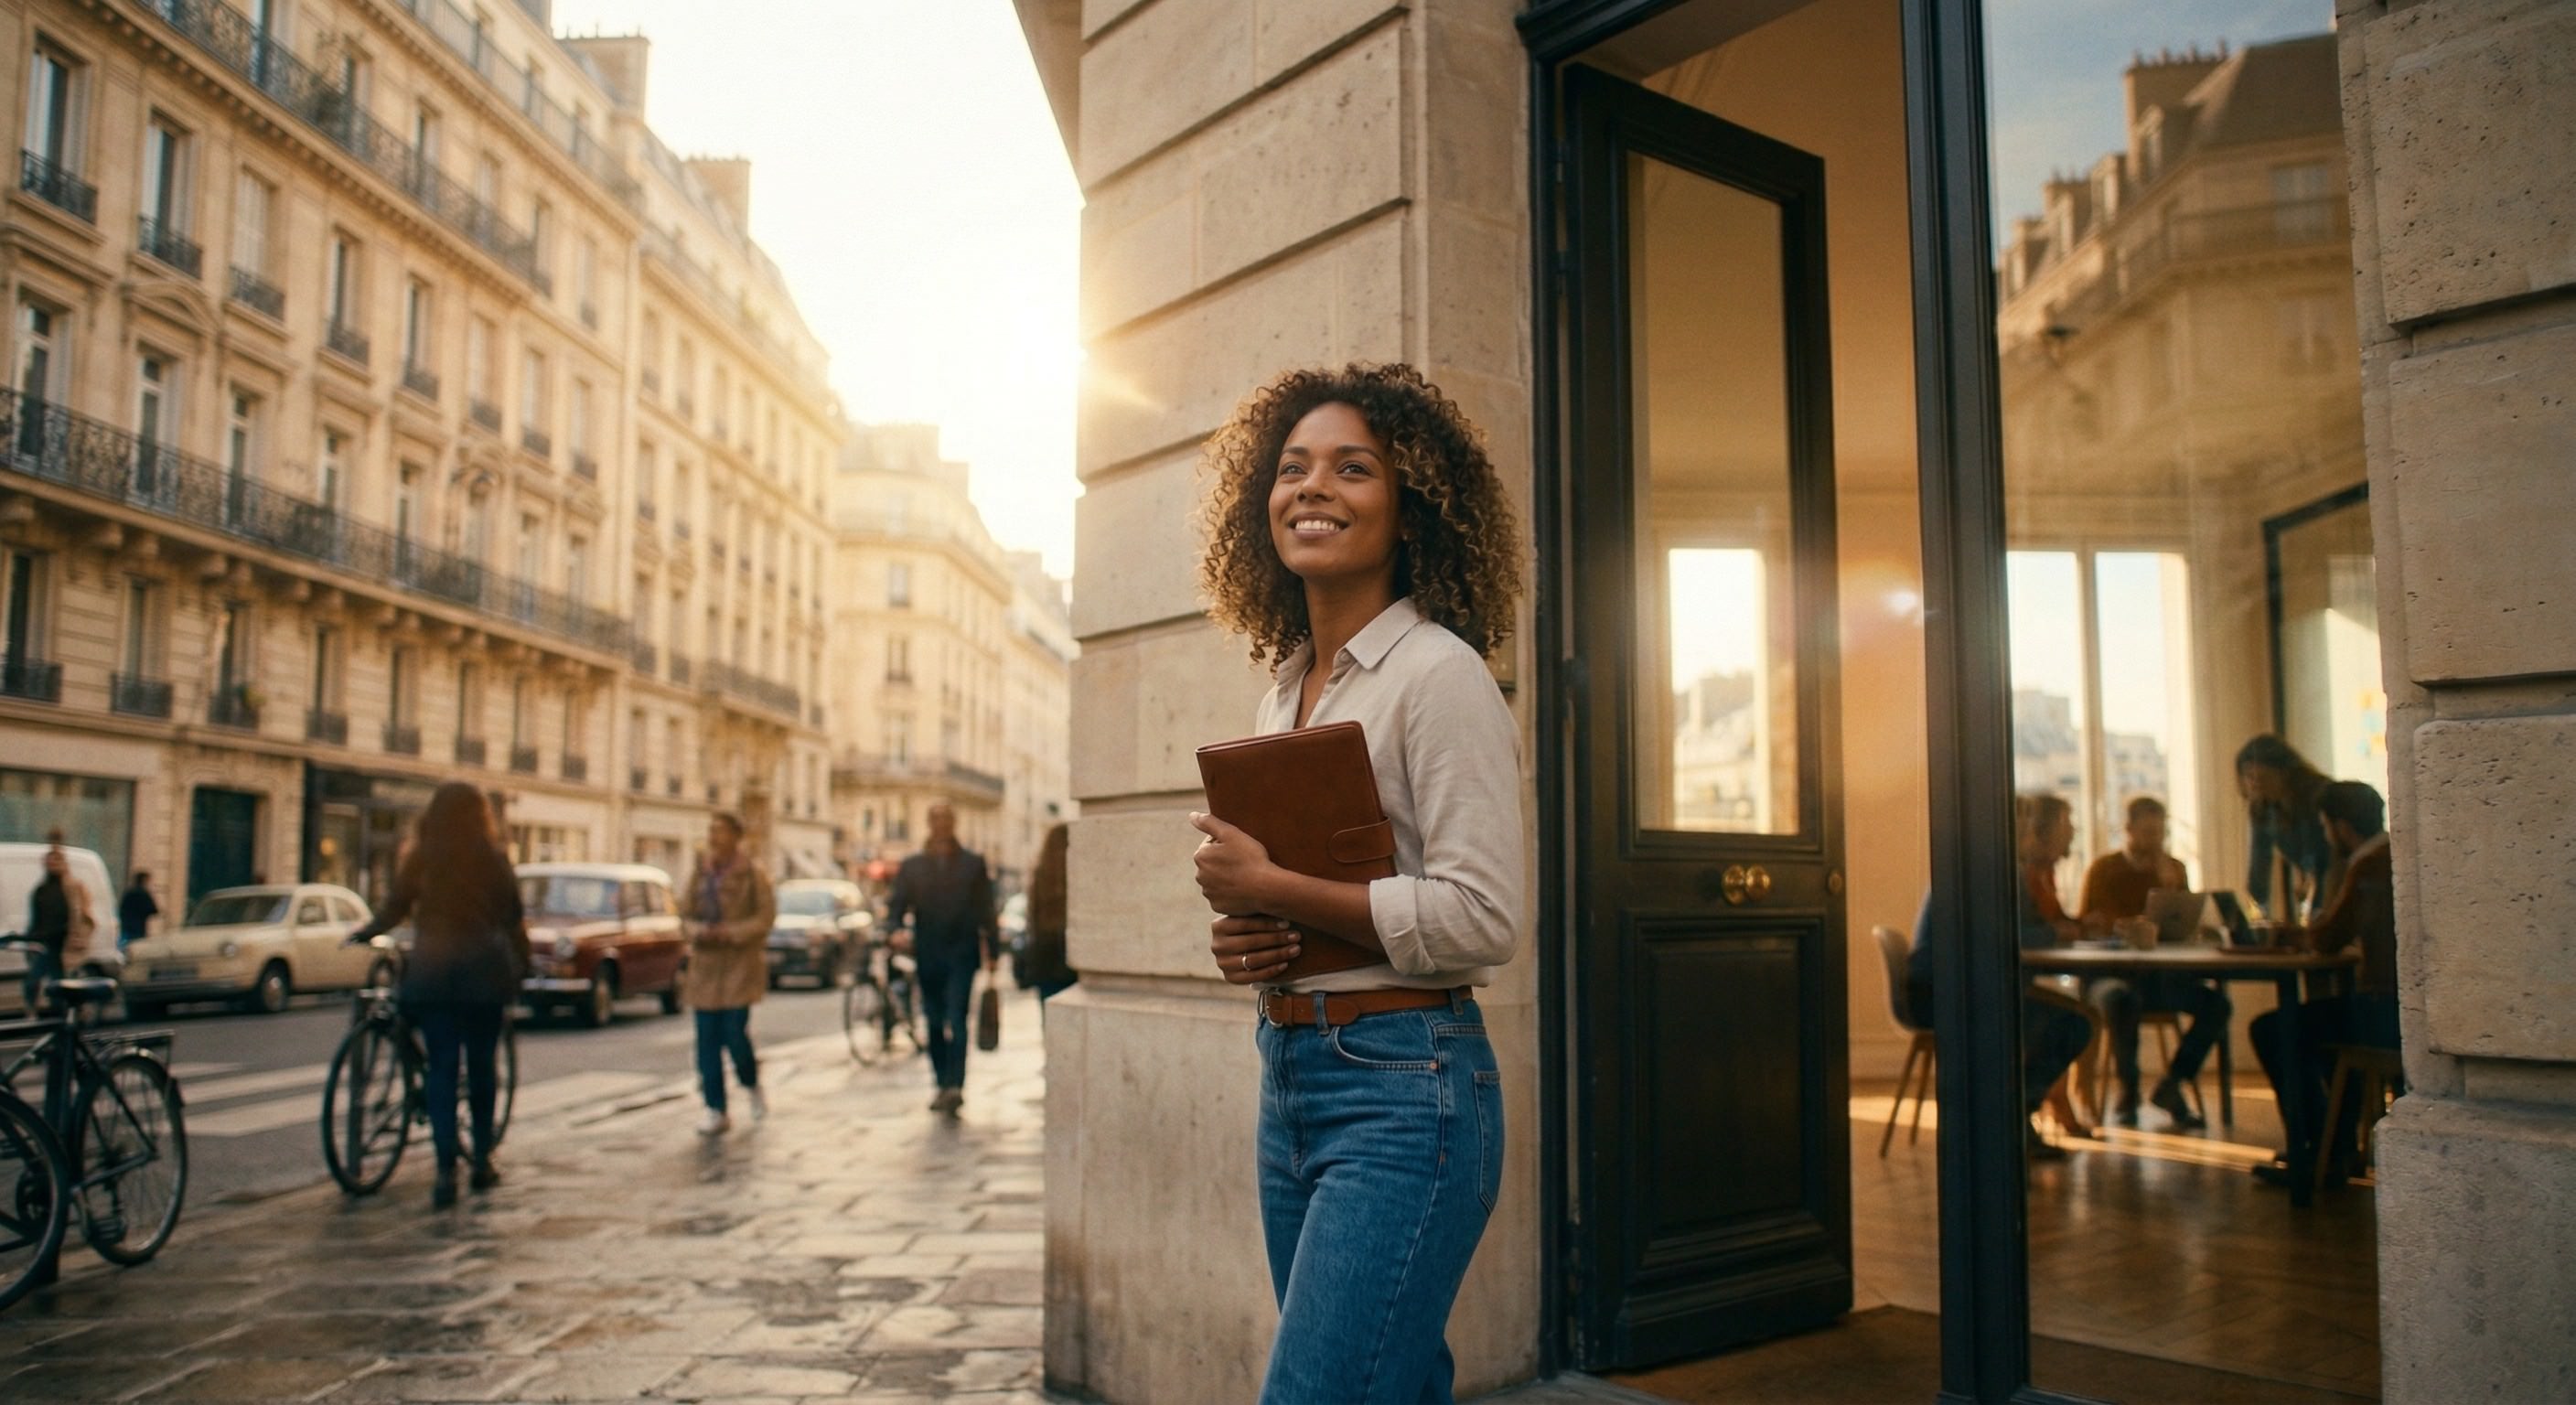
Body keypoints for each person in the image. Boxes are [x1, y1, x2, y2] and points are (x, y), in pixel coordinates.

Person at [1187, 363, 1524, 1403]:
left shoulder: (1438, 673)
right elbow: (1305, 892)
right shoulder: (1283, 691)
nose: (1312, 488)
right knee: (1391, 1384)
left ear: (1411, 507)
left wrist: (1276, 886)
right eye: (1292, 468)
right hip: (1290, 1072)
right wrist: (1251, 937)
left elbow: (1483, 919)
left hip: (1406, 1087)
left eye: (1352, 468)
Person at [345, 783, 529, 1208]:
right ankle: (481, 1159)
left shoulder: (424, 857)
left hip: (434, 973)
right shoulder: (493, 858)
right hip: (483, 975)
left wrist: (366, 932)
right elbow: (512, 916)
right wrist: (522, 963)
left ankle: (445, 1171)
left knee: (441, 1070)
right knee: (482, 1069)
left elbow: (395, 906)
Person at [1906, 794, 2098, 1159]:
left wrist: (2053, 930)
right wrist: (2054, 933)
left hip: (1951, 988)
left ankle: (2014, 1119)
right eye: (2024, 824)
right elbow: (2004, 936)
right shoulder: (1987, 868)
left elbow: (2012, 931)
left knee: (2067, 1022)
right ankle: (2013, 1120)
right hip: (1947, 996)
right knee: (2071, 1027)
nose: (2031, 832)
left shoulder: (1986, 863)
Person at [2250, 780, 2397, 1188]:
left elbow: (2329, 938)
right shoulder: (2394, 854)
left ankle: (2317, 1151)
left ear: (2341, 827)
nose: (2325, 836)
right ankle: (2334, 1148)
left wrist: (2296, 933)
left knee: (2273, 1029)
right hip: (2400, 1012)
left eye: (2325, 826)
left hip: (2383, 1013)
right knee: (2322, 1027)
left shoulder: (2368, 865)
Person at [2077, 797, 2231, 1128]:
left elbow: (2180, 925)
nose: (2154, 842)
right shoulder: (2104, 870)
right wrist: (2125, 926)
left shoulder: (2173, 869)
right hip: (2111, 974)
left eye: (2159, 834)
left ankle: (2174, 1082)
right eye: (2147, 833)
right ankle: (2128, 1090)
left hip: (2159, 978)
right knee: (2121, 1000)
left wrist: (2171, 888)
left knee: (2217, 1005)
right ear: (2128, 830)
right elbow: (2089, 923)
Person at [885, 803, 1000, 1114]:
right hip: (928, 954)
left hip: (962, 954)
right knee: (934, 1021)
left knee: (957, 1019)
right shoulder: (913, 866)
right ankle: (941, 1082)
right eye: (936, 820)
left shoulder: (972, 865)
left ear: (953, 823)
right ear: (929, 823)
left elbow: (987, 910)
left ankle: (955, 1086)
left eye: (946, 819)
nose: (941, 825)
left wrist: (993, 953)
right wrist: (894, 930)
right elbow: (897, 905)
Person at [682, 811, 773, 1136]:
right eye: (712, 831)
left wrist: (732, 933)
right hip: (705, 968)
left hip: (738, 967)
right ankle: (715, 1108)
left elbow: (765, 918)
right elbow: (684, 915)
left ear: (736, 836)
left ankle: (751, 1083)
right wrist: (699, 931)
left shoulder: (752, 874)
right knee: (706, 1039)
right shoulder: (700, 872)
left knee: (735, 1035)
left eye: (721, 831)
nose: (714, 837)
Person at [2237, 734, 2337, 919]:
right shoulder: (2263, 810)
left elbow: (2330, 859)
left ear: (2283, 771)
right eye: (2248, 777)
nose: (2254, 783)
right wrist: (2256, 915)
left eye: (2261, 777)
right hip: (2314, 891)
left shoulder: (2319, 795)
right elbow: (2259, 867)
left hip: (2340, 880)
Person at [17, 835, 91, 1014]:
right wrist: (30, 938)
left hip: (64, 945)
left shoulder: (73, 888)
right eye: (50, 861)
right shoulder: (42, 890)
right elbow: (36, 918)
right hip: (46, 944)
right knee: (36, 982)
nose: (53, 864)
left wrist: (79, 936)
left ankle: (66, 1016)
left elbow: (84, 916)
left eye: (57, 861)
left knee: (60, 984)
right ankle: (41, 1014)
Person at [1024, 821, 1076, 1006]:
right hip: (1071, 958)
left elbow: (1032, 918)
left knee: (1049, 1011)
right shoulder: (1076, 874)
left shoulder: (1041, 876)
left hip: (1045, 957)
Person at [118, 870, 159, 951]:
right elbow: (154, 910)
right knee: (137, 949)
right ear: (144, 881)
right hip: (138, 929)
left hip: (126, 927)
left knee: (124, 948)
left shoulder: (129, 893)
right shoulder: (144, 894)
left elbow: (122, 909)